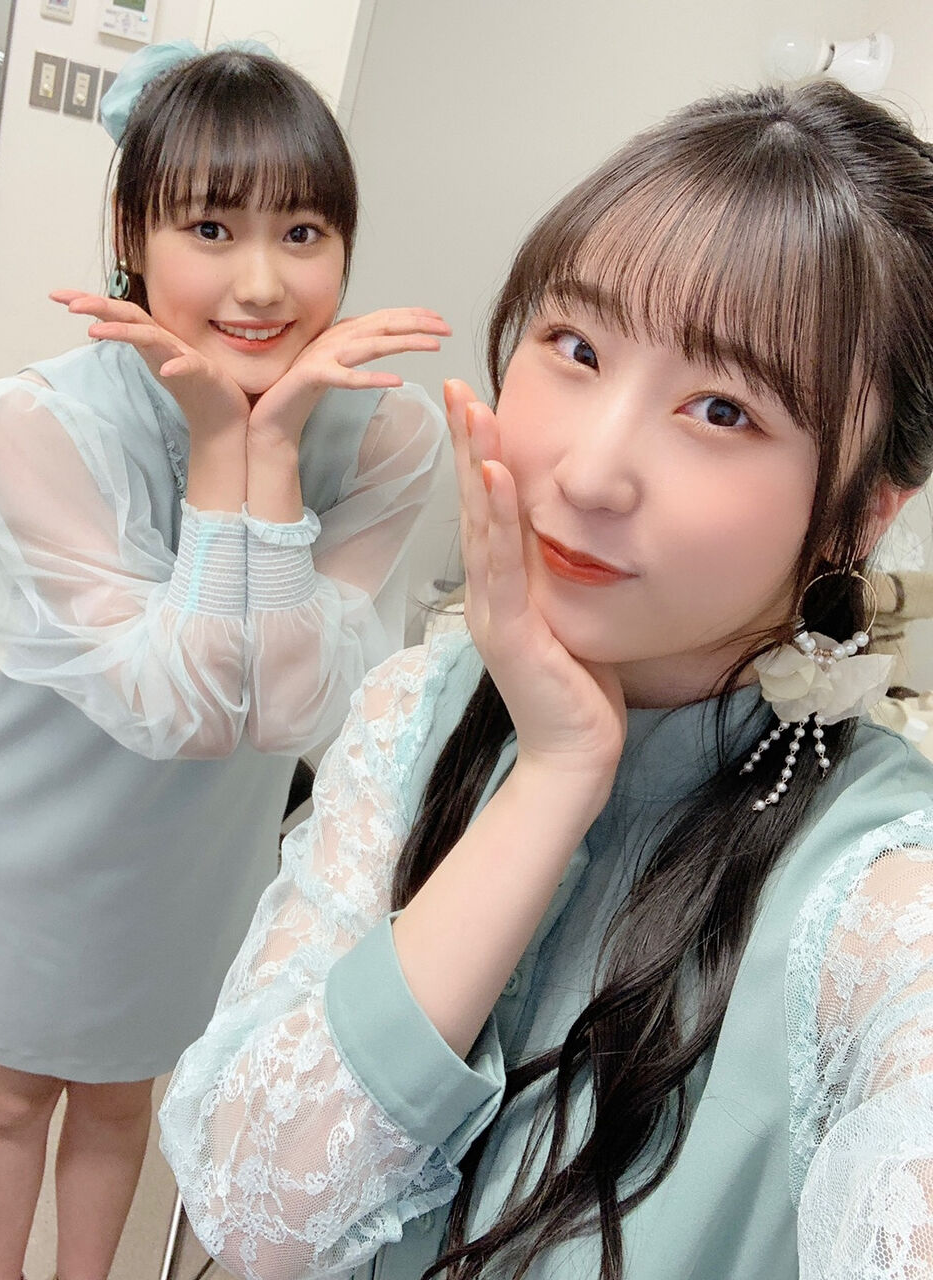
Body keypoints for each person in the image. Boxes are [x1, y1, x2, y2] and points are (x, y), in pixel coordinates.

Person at [159, 80, 933, 1280]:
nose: (589, 469)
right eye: (576, 347)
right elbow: (254, 1204)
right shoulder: (420, 706)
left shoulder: (880, 898)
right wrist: (555, 776)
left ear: (863, 512)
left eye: (721, 409)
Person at [0, 40, 448, 1280]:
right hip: (37, 840)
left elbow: (293, 710)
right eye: (210, 228)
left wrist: (267, 451)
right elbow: (177, 706)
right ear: (129, 234)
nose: (262, 281)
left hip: (200, 859)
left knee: (122, 1094)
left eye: (303, 232)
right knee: (4, 1099)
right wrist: (219, 447)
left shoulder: (384, 435)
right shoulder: (38, 421)